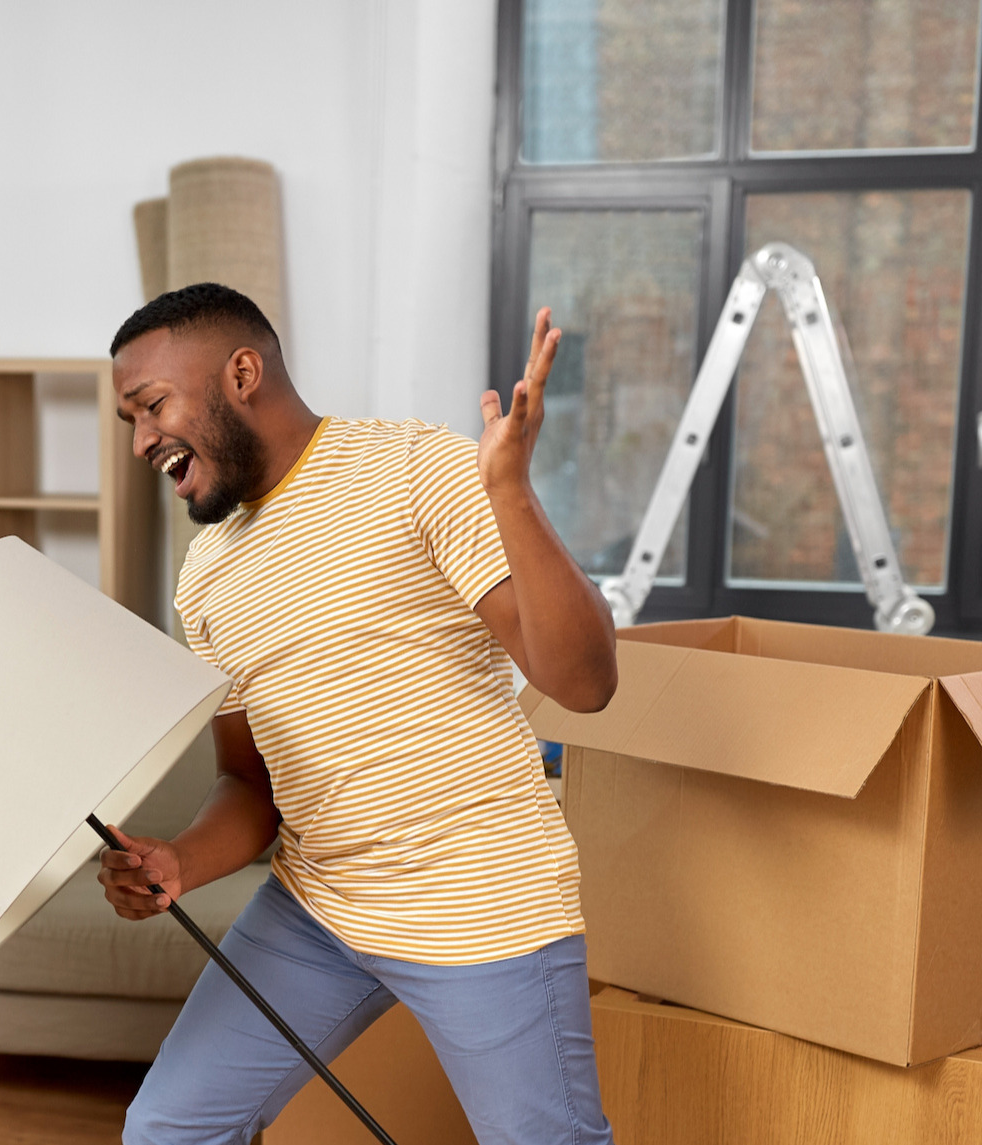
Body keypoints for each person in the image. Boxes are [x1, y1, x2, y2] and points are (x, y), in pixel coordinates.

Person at [99, 283, 619, 1144]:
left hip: (482, 901)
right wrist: (177, 860)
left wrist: (512, 494)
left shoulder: (417, 468)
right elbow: (249, 780)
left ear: (241, 372)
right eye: (131, 422)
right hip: (320, 910)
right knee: (166, 1131)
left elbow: (585, 681)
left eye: (151, 405)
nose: (143, 439)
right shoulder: (205, 578)